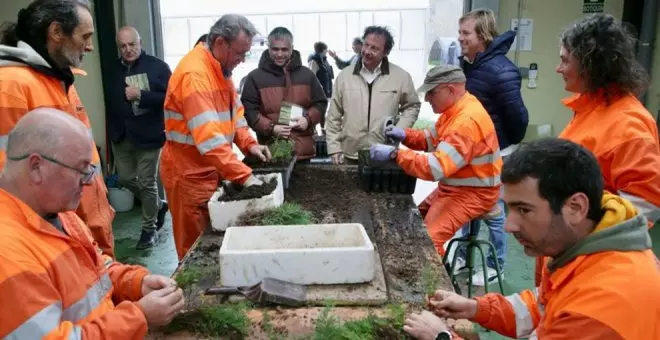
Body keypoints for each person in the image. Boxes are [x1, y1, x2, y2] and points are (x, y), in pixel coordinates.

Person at [403, 138, 660, 340]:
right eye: (510, 209)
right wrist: (474, 308)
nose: (509, 225)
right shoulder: (583, 247)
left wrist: (443, 337)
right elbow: (542, 306)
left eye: (524, 210)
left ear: (576, 207)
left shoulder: (599, 310)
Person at [0, 108, 185, 339]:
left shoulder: (55, 211)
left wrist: (137, 283)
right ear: (37, 167)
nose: (88, 183)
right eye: (81, 169)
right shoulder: (8, 254)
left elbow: (95, 267)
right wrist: (139, 317)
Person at [0, 0, 116, 258]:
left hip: (87, 228)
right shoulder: (10, 86)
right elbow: (9, 183)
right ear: (55, 32)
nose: (90, 46)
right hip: (57, 239)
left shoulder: (59, 80)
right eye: (85, 36)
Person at [161, 14, 272, 261]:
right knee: (196, 253)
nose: (242, 60)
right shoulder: (194, 76)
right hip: (189, 176)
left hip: (213, 170)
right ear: (221, 43)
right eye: (240, 53)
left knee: (217, 245)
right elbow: (210, 141)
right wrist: (245, 176)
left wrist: (249, 143)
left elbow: (236, 114)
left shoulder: (220, 69)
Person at [370, 65, 501, 258]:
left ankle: (435, 283)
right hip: (455, 187)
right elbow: (429, 140)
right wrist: (404, 134)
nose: (427, 98)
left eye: (431, 92)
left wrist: (394, 155)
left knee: (428, 242)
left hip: (475, 193)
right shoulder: (455, 111)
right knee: (416, 220)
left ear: (450, 89)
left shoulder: (466, 121)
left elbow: (435, 168)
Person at [556, 13, 660, 227]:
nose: (559, 69)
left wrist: (582, 232)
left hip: (592, 248)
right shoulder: (591, 108)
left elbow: (644, 207)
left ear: (590, 65)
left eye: (565, 61)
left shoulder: (629, 125)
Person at [453, 8, 530, 285]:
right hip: (471, 151)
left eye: (466, 33)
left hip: (496, 152)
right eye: (460, 32)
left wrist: (503, 145)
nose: (460, 38)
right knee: (465, 204)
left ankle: (495, 262)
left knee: (493, 210)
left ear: (482, 35)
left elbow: (519, 118)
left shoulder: (502, 70)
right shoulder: (468, 65)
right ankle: (462, 254)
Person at [108, 26, 171, 250]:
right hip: (121, 135)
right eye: (122, 46)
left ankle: (148, 229)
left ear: (140, 42)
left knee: (147, 182)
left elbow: (170, 100)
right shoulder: (113, 68)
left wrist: (141, 96)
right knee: (125, 179)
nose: (128, 50)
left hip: (149, 135)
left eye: (131, 44)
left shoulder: (158, 67)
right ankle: (158, 205)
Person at [326, 26, 420, 165]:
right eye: (366, 45)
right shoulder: (345, 76)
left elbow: (412, 106)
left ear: (386, 52)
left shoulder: (400, 77)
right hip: (350, 154)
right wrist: (334, 148)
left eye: (374, 48)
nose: (367, 51)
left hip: (384, 153)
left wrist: (399, 129)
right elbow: (333, 115)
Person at [241, 27, 328, 161]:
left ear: (292, 48)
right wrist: (271, 128)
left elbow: (320, 103)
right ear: (268, 48)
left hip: (303, 153)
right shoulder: (255, 78)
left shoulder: (307, 75)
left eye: (284, 49)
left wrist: (308, 119)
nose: (280, 54)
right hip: (272, 153)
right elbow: (249, 111)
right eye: (275, 49)